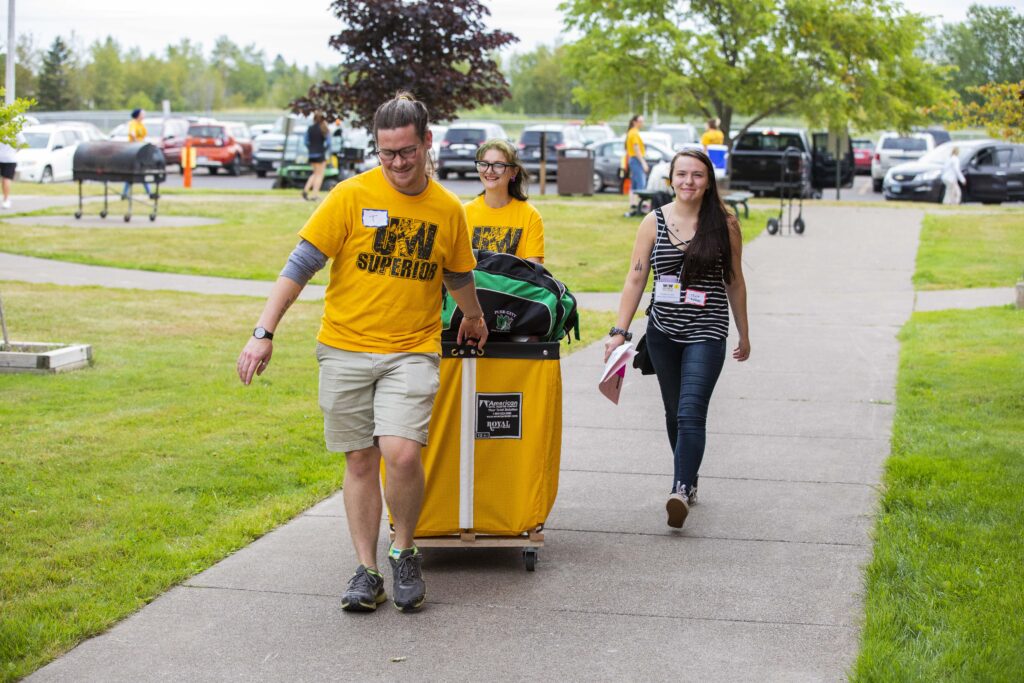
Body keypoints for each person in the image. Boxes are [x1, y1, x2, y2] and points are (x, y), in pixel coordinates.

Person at [236, 91, 488, 613]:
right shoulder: (350, 195)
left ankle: (403, 549)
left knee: (399, 451)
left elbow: (458, 272)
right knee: (359, 457)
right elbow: (301, 264)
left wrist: (473, 315)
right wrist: (264, 331)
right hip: (345, 347)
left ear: (427, 143)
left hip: (411, 349)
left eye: (406, 152)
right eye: (386, 152)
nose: (396, 164)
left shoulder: (446, 208)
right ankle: (366, 570)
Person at [605, 149, 750, 529]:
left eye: (697, 175)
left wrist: (744, 333)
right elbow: (636, 278)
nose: (689, 182)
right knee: (674, 413)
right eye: (682, 174)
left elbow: (734, 281)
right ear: (670, 179)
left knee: (690, 411)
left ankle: (680, 488)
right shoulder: (653, 222)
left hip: (708, 330)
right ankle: (690, 475)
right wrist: (619, 332)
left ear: (709, 181)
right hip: (663, 333)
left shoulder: (726, 224)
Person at [464, 138, 544, 263]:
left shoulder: (530, 216)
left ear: (514, 171)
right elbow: (455, 268)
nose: (489, 171)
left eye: (498, 165)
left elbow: (533, 273)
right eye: (484, 164)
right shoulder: (464, 213)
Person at [122, 108, 152, 199]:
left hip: (141, 150)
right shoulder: (133, 123)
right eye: (142, 114)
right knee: (136, 171)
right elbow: (132, 133)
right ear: (138, 115)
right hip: (134, 150)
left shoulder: (141, 124)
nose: (144, 115)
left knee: (139, 172)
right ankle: (148, 192)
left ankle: (125, 193)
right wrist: (137, 143)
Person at [302, 111, 331, 202]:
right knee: (319, 175)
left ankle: (306, 190)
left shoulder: (310, 128)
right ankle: (315, 194)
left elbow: (305, 142)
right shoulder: (324, 128)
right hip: (320, 154)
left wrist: (310, 148)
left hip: (311, 154)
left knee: (314, 173)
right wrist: (325, 150)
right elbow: (329, 143)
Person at [624, 114, 648, 217]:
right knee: (640, 183)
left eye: (642, 121)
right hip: (636, 160)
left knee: (634, 183)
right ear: (634, 122)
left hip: (633, 159)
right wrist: (643, 162)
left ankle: (633, 204)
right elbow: (636, 148)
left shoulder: (632, 132)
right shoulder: (634, 133)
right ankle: (642, 205)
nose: (641, 123)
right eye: (640, 121)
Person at [0, 131, 24, 210]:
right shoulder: (14, 129)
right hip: (10, 158)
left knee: (5, 180)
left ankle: (6, 200)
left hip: (8, 158)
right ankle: (6, 200)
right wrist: (15, 151)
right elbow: (22, 142)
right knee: (6, 179)